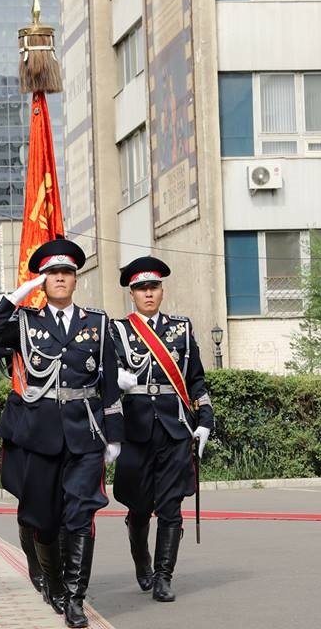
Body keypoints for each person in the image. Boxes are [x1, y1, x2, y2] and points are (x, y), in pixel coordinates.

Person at [0, 239, 122, 629]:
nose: (60, 278)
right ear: (42, 281)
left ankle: (75, 598)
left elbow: (108, 383)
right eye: (51, 274)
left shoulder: (98, 323)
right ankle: (54, 583)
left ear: (75, 279)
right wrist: (15, 297)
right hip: (39, 435)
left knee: (80, 515)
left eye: (66, 273)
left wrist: (114, 435)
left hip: (84, 433)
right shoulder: (26, 322)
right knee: (42, 516)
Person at [109, 256, 214, 603]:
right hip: (135, 431)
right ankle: (143, 564)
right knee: (139, 507)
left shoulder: (182, 329)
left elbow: (196, 381)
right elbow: (99, 378)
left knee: (171, 507)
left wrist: (205, 422)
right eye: (141, 288)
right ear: (132, 294)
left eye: (153, 287)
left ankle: (163, 577)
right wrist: (115, 380)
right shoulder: (117, 331)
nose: (148, 294)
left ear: (162, 291)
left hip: (174, 429)